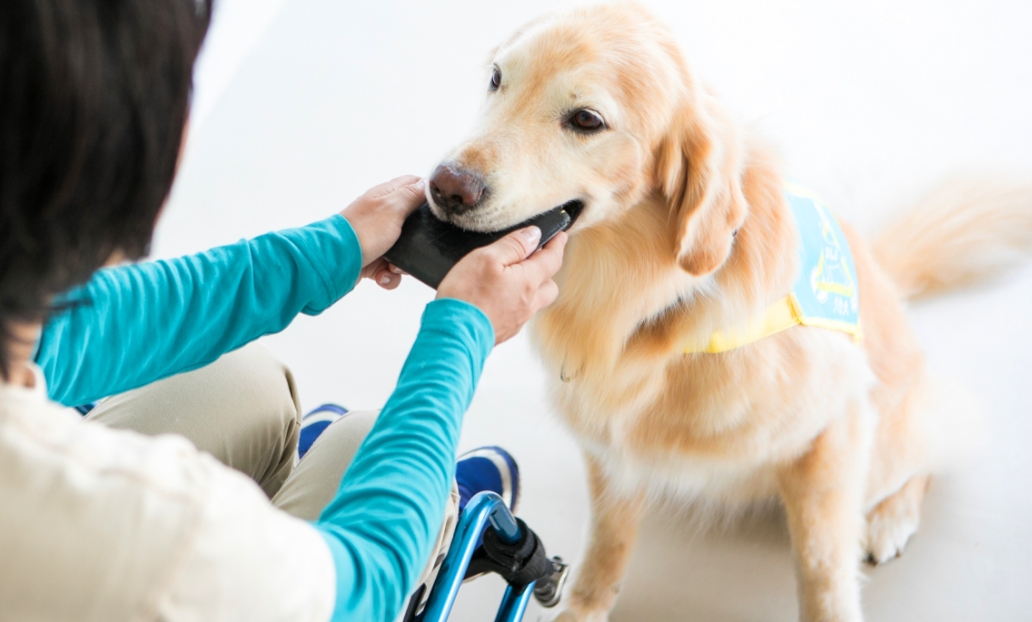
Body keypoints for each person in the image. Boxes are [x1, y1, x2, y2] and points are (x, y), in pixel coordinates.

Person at [0, 1, 567, 621]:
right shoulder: (161, 539)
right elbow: (365, 585)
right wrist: (463, 335)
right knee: (364, 444)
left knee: (240, 382)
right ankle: (424, 496)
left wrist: (325, 252)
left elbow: (61, 337)